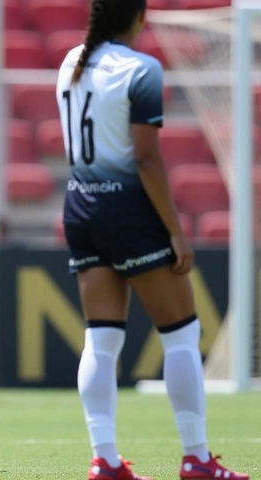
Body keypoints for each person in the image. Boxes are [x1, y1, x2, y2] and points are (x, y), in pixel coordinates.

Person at [55, 1, 248, 480]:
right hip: (128, 210)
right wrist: (176, 232)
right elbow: (144, 158)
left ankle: (105, 461)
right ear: (139, 17)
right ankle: (196, 458)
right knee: (181, 333)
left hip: (81, 206)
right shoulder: (142, 68)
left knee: (100, 339)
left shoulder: (70, 61)